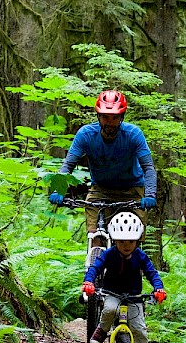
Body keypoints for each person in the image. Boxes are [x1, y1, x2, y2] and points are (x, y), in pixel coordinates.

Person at [48, 90, 157, 236]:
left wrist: (149, 195)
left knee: (132, 238)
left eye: (114, 117)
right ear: (98, 116)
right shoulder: (85, 135)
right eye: (105, 117)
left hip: (132, 190)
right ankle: (95, 254)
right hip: (100, 190)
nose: (109, 122)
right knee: (94, 234)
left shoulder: (133, 135)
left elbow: (148, 168)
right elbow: (68, 165)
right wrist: (58, 190)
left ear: (121, 117)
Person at [81, 212, 166, 343]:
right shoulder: (109, 254)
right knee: (109, 310)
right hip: (112, 292)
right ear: (114, 240)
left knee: (139, 328)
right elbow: (95, 267)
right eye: (121, 242)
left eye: (130, 242)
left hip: (134, 296)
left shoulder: (140, 256)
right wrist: (89, 281)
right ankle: (102, 329)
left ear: (137, 241)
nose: (126, 246)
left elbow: (152, 273)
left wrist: (158, 288)